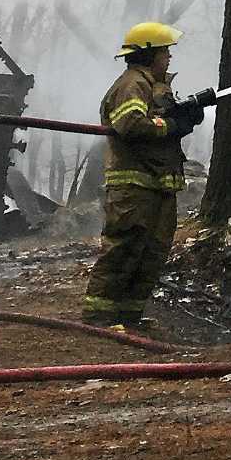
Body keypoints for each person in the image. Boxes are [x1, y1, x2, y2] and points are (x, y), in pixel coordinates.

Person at [81, 21, 203, 327]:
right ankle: (100, 317)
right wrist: (171, 125)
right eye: (165, 52)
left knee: (151, 252)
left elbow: (157, 121)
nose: (169, 58)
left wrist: (184, 116)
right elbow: (131, 124)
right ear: (149, 54)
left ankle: (129, 315)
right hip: (133, 187)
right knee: (124, 249)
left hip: (157, 185)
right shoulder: (131, 85)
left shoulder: (154, 86)